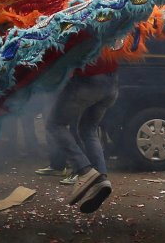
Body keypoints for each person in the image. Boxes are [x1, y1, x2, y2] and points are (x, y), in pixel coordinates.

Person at [44, 50, 118, 214]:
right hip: (111, 83)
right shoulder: (113, 24)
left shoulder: (82, 24)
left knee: (55, 124)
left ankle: (84, 171)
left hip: (88, 80)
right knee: (88, 129)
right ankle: (101, 179)